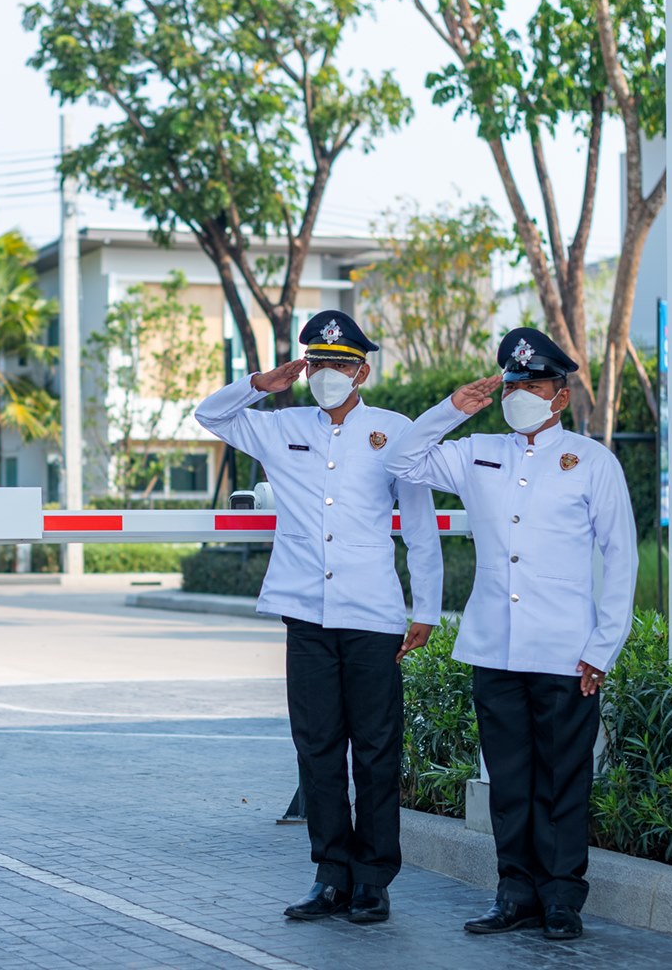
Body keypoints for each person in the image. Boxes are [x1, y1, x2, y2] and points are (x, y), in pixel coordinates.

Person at [382, 326, 637, 942]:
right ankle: (515, 891)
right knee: (510, 780)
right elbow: (401, 459)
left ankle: (561, 898)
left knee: (563, 780)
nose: (522, 392)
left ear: (562, 395)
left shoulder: (592, 462)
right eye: (513, 383)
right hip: (494, 647)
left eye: (536, 383)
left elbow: (621, 559)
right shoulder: (478, 453)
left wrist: (603, 648)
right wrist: (452, 409)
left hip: (565, 652)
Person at [194, 310, 445, 925]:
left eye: (340, 364)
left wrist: (427, 608)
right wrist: (262, 383)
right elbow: (208, 415)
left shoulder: (394, 432)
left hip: (374, 615)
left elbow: (419, 529)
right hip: (304, 611)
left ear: (362, 370)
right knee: (318, 749)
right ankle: (331, 875)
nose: (328, 374)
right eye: (319, 363)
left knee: (377, 750)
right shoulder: (281, 427)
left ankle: (374, 881)